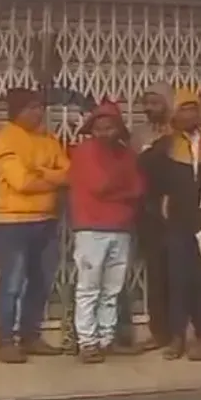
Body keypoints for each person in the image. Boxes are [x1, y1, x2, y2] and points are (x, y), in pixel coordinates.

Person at [0, 88, 70, 363]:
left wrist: (43, 174)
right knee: (12, 283)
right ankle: (5, 341)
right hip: (13, 224)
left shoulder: (48, 139)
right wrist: (52, 179)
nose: (38, 112)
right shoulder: (4, 140)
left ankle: (30, 336)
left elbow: (69, 173)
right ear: (16, 111)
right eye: (31, 107)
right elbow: (22, 182)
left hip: (46, 221)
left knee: (40, 281)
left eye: (40, 106)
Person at [147, 88, 201, 361]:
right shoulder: (167, 144)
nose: (189, 114)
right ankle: (176, 337)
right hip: (178, 221)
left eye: (193, 108)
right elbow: (150, 178)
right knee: (177, 278)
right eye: (183, 108)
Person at [69, 101, 145, 363]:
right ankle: (88, 342)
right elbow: (101, 185)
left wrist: (120, 192)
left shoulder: (126, 154)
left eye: (109, 127)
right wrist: (123, 191)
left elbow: (138, 189)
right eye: (100, 128)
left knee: (112, 288)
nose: (105, 133)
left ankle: (105, 338)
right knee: (89, 288)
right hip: (91, 229)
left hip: (120, 228)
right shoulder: (84, 152)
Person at [133, 81, 175, 348]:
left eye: (155, 102)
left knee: (181, 273)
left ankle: (183, 332)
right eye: (146, 103)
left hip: (177, 211)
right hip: (148, 212)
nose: (150, 108)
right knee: (156, 273)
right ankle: (159, 332)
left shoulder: (179, 133)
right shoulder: (139, 135)